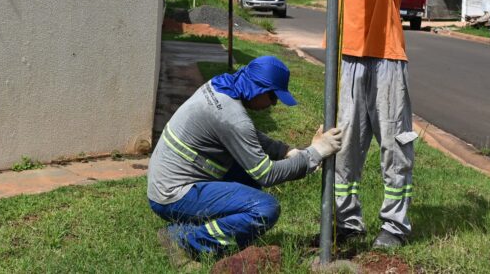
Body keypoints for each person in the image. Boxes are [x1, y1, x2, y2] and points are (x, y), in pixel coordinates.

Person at [303, 0, 417, 250]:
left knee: (394, 145)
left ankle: (395, 227)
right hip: (348, 59)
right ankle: (348, 223)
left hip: (387, 58)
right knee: (345, 145)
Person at [147, 55, 343, 262]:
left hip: (167, 181)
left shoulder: (221, 86)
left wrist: (286, 151)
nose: (274, 103)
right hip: (172, 195)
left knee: (249, 176)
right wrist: (315, 153)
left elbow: (246, 136)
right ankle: (184, 241)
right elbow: (266, 174)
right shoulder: (232, 117)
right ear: (259, 89)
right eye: (272, 96)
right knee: (264, 209)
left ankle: (192, 228)